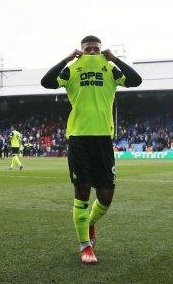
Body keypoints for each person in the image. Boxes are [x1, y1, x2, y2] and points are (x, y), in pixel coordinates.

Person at [40, 35, 142, 265]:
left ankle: (90, 223)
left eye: (96, 48)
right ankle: (85, 245)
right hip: (79, 138)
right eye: (89, 48)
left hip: (103, 139)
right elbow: (46, 82)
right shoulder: (71, 70)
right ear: (82, 51)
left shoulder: (110, 69)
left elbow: (136, 81)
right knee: (82, 191)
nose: (93, 51)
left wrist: (114, 59)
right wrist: (67, 59)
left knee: (106, 197)